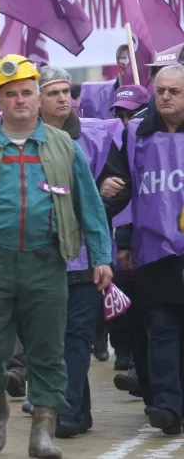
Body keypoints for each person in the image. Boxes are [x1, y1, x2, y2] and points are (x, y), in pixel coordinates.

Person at [0, 54, 113, 458]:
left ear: (37, 97)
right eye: (11, 94)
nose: (20, 101)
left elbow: (90, 205)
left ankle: (43, 430)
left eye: (27, 93)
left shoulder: (63, 145)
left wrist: (101, 255)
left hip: (46, 264)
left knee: (49, 351)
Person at [36, 66, 131, 438]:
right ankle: (76, 406)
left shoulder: (98, 136)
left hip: (86, 258)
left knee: (75, 337)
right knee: (49, 339)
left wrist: (84, 210)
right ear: (37, 100)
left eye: (66, 92)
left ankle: (69, 410)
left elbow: (120, 189)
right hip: (40, 259)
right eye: (53, 93)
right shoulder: (24, 141)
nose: (63, 98)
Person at [117, 64, 184, 435]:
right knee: (160, 327)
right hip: (154, 249)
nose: (166, 98)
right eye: (161, 91)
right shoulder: (134, 135)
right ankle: (166, 405)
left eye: (174, 91)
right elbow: (125, 189)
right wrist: (124, 240)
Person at [110, 84, 152, 402]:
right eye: (120, 114)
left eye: (132, 113)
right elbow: (124, 201)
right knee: (134, 309)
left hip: (162, 243)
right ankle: (140, 368)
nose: (126, 120)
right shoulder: (116, 147)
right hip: (131, 243)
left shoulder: (159, 141)